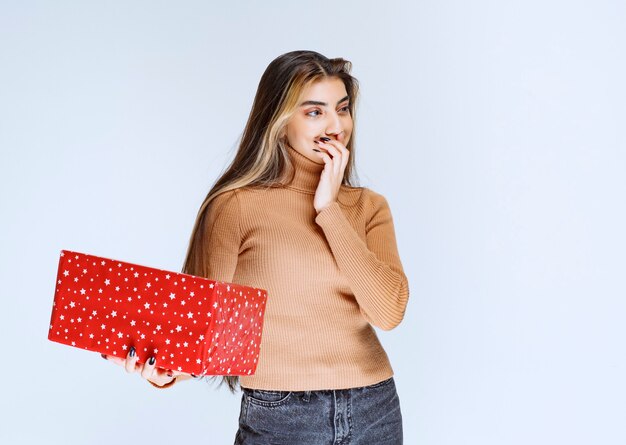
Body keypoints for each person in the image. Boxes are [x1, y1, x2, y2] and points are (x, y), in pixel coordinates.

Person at [102, 50, 410, 444]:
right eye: (314, 112)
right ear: (280, 122)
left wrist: (329, 210)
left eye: (343, 109)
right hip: (281, 416)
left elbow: (388, 312)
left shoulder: (367, 207)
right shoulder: (236, 205)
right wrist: (163, 367)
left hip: (375, 409)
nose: (336, 125)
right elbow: (199, 323)